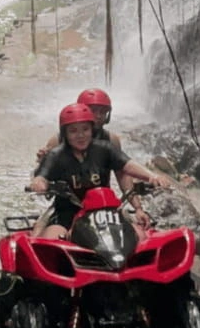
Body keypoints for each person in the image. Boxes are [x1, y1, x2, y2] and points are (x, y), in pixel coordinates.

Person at [30, 103, 171, 239]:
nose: (80, 135)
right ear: (64, 133)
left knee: (139, 236)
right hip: (67, 213)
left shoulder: (105, 148)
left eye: (85, 129)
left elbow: (127, 165)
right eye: (73, 131)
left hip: (106, 210)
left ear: (92, 130)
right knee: (50, 239)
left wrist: (152, 176)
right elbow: (42, 176)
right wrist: (39, 184)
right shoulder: (56, 155)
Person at [35, 88, 150, 226]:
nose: (99, 115)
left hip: (102, 202)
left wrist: (137, 207)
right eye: (94, 110)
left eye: (103, 111)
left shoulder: (110, 141)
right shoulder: (57, 142)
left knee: (132, 229)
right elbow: (44, 173)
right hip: (68, 205)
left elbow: (123, 172)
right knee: (40, 228)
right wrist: (41, 173)